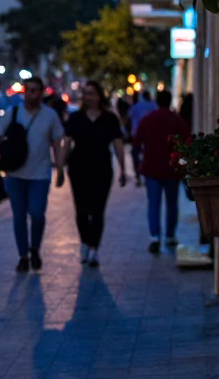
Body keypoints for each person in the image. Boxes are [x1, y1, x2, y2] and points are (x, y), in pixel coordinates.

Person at [0, 78, 65, 273]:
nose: (32, 94)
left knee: (38, 214)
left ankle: (35, 249)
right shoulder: (13, 113)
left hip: (40, 174)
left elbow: (57, 142)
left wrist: (60, 168)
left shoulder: (50, 116)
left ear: (41, 93)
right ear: (24, 92)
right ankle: (23, 255)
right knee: (19, 216)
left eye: (36, 91)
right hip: (15, 173)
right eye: (29, 90)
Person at [63, 81, 127, 267]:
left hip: (102, 169)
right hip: (78, 169)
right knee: (81, 210)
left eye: (91, 93)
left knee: (98, 210)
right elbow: (66, 143)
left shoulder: (109, 119)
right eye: (85, 93)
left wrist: (123, 169)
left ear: (99, 96)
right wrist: (60, 167)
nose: (87, 97)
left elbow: (118, 144)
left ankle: (94, 249)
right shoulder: (76, 118)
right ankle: (84, 243)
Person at [134, 90, 189, 252]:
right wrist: (183, 164)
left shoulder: (147, 120)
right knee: (172, 203)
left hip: (151, 168)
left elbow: (136, 144)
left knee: (153, 204)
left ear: (156, 101)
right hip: (172, 169)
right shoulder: (177, 121)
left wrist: (138, 163)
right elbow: (187, 143)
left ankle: (154, 236)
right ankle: (170, 235)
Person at [127, 91, 155, 187]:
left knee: (136, 155)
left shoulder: (135, 107)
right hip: (149, 136)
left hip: (136, 135)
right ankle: (147, 175)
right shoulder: (153, 106)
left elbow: (129, 117)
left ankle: (138, 176)